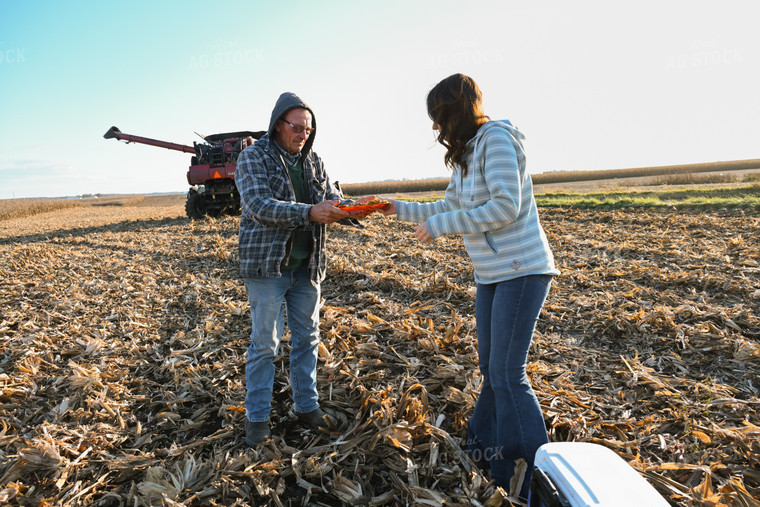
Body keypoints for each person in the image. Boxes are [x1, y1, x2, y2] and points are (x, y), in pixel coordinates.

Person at [378, 74, 559, 503]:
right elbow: (450, 205)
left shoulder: (496, 140)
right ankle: (491, 458)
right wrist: (393, 208)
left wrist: (441, 227)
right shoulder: (466, 153)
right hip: (492, 273)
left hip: (522, 269)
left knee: (508, 374)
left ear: (455, 110)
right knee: (490, 369)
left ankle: (536, 473)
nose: (436, 128)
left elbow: (504, 205)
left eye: (439, 117)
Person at [235, 92, 370, 446]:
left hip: (307, 266)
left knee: (308, 339)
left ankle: (306, 406)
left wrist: (358, 208)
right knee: (265, 344)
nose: (303, 135)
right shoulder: (253, 158)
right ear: (278, 124)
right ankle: (258, 417)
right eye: (297, 127)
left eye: (308, 129)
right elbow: (258, 205)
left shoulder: (315, 162)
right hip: (267, 267)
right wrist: (309, 212)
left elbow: (332, 199)